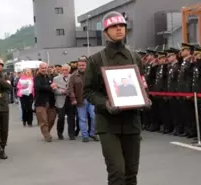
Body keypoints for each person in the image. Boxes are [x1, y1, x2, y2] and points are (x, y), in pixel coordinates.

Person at [83, 11, 149, 185]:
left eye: (121, 26)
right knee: (117, 172)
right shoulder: (96, 60)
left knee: (131, 173)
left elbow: (142, 84)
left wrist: (145, 98)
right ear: (105, 32)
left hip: (132, 122)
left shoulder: (135, 57)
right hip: (108, 123)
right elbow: (88, 91)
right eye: (114, 26)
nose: (119, 29)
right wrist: (105, 103)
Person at [34, 62, 57, 142]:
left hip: (51, 101)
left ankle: (47, 132)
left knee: (52, 118)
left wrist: (53, 87)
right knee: (43, 120)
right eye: (42, 68)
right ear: (39, 69)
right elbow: (38, 87)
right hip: (41, 102)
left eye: (45, 68)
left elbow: (53, 86)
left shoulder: (50, 77)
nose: (44, 69)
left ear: (47, 68)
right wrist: (50, 87)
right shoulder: (36, 78)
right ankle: (46, 135)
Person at [53, 64, 75, 140]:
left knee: (71, 118)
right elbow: (54, 89)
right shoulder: (56, 78)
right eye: (63, 70)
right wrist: (61, 91)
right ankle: (60, 133)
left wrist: (70, 92)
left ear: (69, 70)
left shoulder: (73, 77)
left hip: (70, 100)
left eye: (66, 70)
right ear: (61, 70)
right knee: (61, 118)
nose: (65, 71)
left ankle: (71, 134)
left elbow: (75, 88)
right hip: (60, 100)